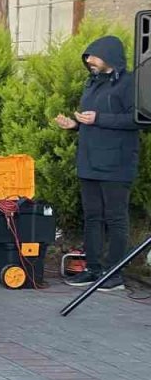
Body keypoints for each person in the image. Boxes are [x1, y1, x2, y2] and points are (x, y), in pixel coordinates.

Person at [57, 35, 140, 292]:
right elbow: (91, 119)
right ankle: (93, 269)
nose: (89, 61)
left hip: (117, 163)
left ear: (110, 56)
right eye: (87, 58)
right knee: (92, 216)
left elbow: (138, 120)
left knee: (115, 218)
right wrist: (75, 124)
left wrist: (100, 118)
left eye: (93, 57)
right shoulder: (92, 83)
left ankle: (114, 274)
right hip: (89, 161)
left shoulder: (130, 83)